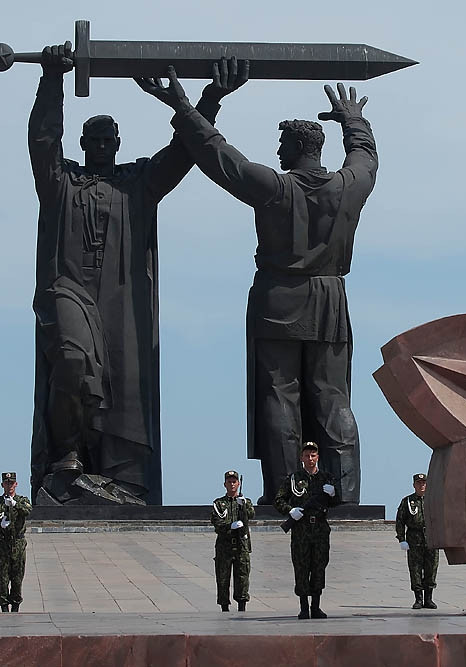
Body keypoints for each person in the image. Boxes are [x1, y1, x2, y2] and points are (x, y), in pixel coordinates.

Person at [138, 66, 377, 505]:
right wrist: (353, 120)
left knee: (280, 395)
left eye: (283, 143)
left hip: (279, 300)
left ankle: (288, 492)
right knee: (333, 398)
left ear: (298, 147)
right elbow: (365, 157)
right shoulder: (349, 187)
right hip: (329, 300)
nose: (278, 150)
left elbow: (218, 156)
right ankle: (345, 497)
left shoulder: (275, 188)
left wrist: (183, 106)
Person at [29, 44, 246, 504]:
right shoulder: (61, 182)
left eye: (109, 139)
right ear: (83, 144)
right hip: (68, 289)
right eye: (94, 139)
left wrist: (209, 99)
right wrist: (52, 80)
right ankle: (65, 458)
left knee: (125, 386)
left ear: (118, 144)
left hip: (122, 302)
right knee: (71, 360)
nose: (101, 146)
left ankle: (117, 478)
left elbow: (184, 153)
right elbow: (43, 141)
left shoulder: (139, 183)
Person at [274, 442, 340, 619]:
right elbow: (278, 500)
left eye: (313, 455)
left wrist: (333, 493)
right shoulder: (293, 479)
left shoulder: (326, 478)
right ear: (301, 458)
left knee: (319, 566)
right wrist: (290, 511)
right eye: (307, 455)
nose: (310, 458)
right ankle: (304, 607)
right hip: (301, 529)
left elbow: (336, 503)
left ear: (318, 457)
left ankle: (316, 606)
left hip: (320, 528)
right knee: (301, 566)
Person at [0, 472, 33, 612]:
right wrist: (0, 526)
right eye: (7, 483)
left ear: (16, 484)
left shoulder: (22, 500)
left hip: (18, 543)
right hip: (2, 544)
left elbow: (28, 511)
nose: (9, 485)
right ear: (2, 485)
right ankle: (4, 607)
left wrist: (15, 504)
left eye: (11, 483)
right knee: (3, 578)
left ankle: (16, 606)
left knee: (17, 577)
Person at [210, 470, 255, 612]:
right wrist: (230, 526)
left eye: (234, 482)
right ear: (225, 484)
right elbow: (217, 523)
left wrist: (244, 505)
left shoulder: (245, 502)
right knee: (223, 578)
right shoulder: (219, 503)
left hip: (241, 545)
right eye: (229, 482)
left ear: (238, 483)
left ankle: (242, 606)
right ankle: (224, 607)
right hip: (225, 546)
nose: (232, 484)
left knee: (242, 577)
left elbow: (251, 515)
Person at [395, 473, 439, 610]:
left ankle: (429, 599)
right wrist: (402, 539)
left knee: (431, 569)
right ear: (414, 485)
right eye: (419, 483)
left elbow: (442, 519)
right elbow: (400, 521)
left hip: (431, 539)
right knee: (415, 570)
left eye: (424, 483)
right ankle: (418, 599)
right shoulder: (407, 501)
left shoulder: (434, 500)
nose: (422, 485)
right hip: (414, 539)